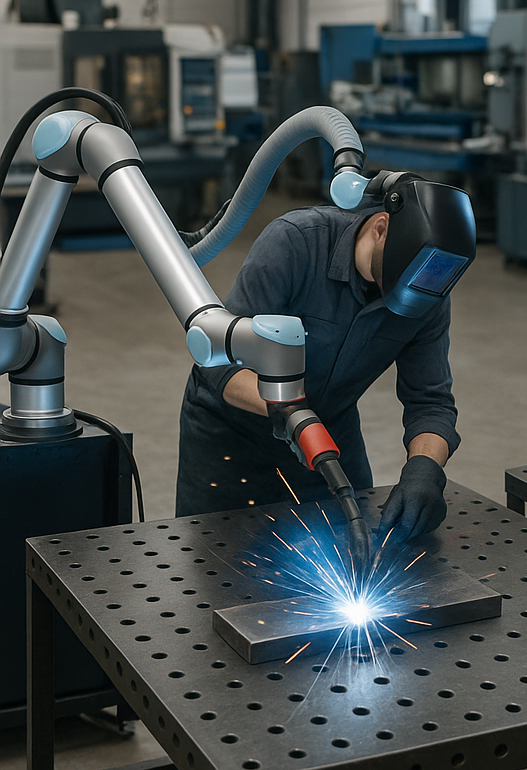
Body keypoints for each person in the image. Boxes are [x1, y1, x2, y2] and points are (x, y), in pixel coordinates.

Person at [174, 174, 476, 545]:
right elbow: (220, 365)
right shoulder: (296, 242)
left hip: (330, 438)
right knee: (214, 570)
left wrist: (425, 470)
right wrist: (292, 416)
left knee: (348, 558)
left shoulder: (427, 290)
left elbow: (430, 401)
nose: (415, 293)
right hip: (231, 438)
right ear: (382, 227)